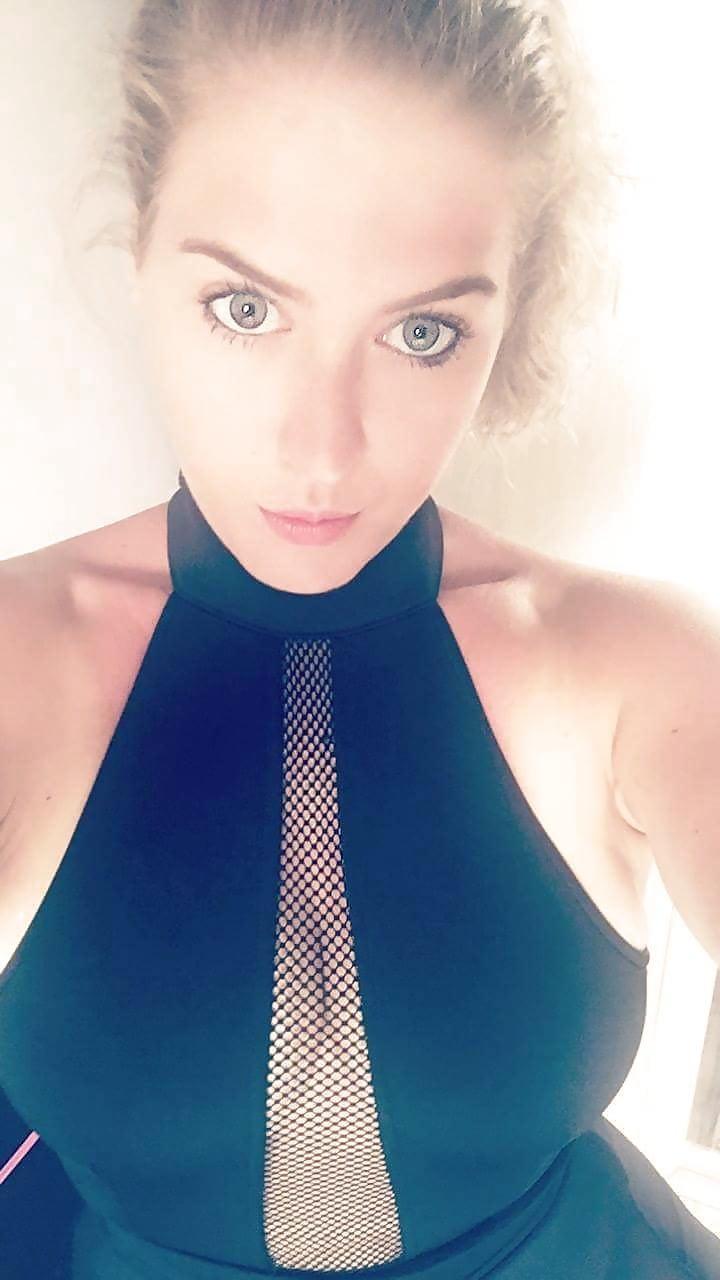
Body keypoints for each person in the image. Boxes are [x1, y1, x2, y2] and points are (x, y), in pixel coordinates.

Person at [1, 1, 719, 1277]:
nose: (323, 449)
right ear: (141, 252)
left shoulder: (637, 661)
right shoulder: (17, 657)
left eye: (422, 332)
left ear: (506, 321)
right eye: (244, 307)